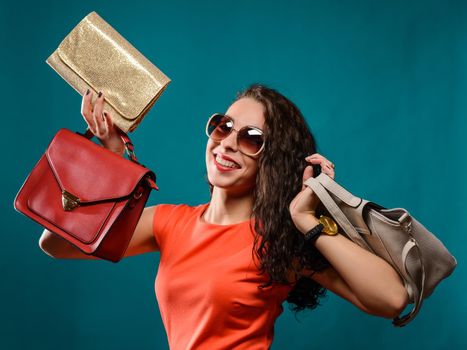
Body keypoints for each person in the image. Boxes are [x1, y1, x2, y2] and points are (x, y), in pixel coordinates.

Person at [39, 84, 409, 349]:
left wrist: (304, 217)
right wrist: (111, 160)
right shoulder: (169, 223)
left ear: (272, 160)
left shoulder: (277, 242)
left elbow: (392, 299)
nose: (228, 142)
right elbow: (56, 243)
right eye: (223, 126)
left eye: (251, 138)